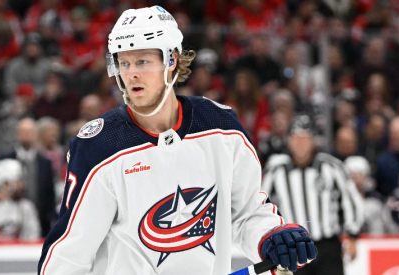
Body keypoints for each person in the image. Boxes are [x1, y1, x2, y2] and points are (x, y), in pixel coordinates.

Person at [39, 6, 317, 275]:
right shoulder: (100, 145)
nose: (130, 73)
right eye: (123, 62)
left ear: (171, 60)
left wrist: (270, 235)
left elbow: (245, 212)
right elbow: (70, 251)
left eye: (142, 61)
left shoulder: (221, 128)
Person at [262, 115, 364, 275]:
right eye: (296, 137)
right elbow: (263, 207)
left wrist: (352, 236)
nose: (300, 142)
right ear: (288, 140)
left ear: (313, 140)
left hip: (327, 246)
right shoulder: (276, 171)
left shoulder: (331, 167)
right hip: (292, 248)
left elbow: (351, 201)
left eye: (305, 138)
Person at [0, 117, 56, 237]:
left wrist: (51, 218)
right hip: (10, 223)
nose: (26, 135)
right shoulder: (4, 159)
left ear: (36, 134)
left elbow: (50, 194)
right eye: (23, 132)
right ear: (17, 134)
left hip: (41, 223)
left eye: (30, 132)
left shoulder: (45, 163)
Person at [0, 158, 40, 241]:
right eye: (18, 181)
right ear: (6, 184)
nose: (22, 185)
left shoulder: (26, 206)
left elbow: (33, 236)